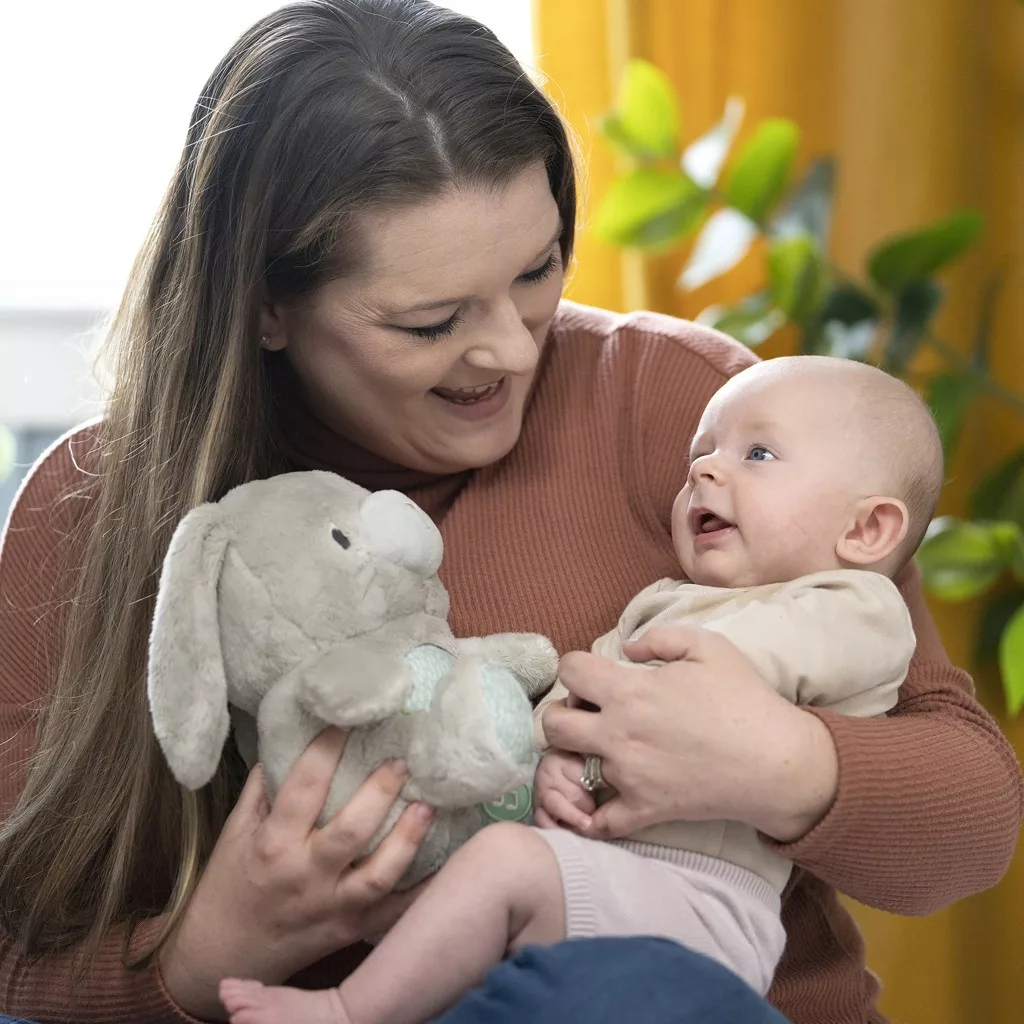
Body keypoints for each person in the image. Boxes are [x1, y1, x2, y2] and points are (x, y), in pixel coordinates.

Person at [0, 2, 1019, 1023]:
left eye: (537, 270)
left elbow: (973, 826)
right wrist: (199, 957)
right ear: (265, 305)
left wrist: (787, 766)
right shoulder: (89, 511)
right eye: (432, 321)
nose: (516, 349)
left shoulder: (697, 415)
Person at [216, 355, 939, 1024]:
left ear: (868, 530)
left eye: (758, 455)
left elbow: (733, 678)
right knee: (472, 879)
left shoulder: (856, 608)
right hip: (615, 876)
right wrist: (558, 754)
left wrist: (609, 741)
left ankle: (347, 1011)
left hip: (703, 902)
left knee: (503, 864)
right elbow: (574, 701)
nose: (704, 470)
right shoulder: (663, 602)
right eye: (701, 455)